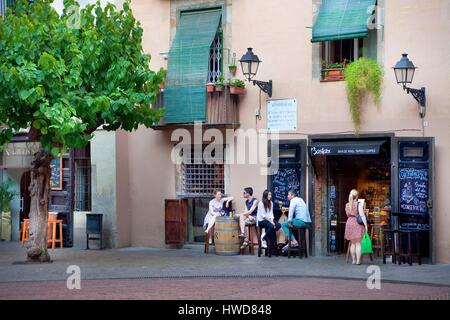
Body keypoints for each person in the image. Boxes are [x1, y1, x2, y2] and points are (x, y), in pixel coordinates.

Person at [344, 189, 368, 265]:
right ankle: (358, 261)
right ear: (357, 196)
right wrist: (366, 225)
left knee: (352, 243)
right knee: (358, 243)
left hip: (349, 222)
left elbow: (347, 215)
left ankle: (353, 260)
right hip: (357, 223)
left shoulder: (347, 205)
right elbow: (362, 215)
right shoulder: (358, 204)